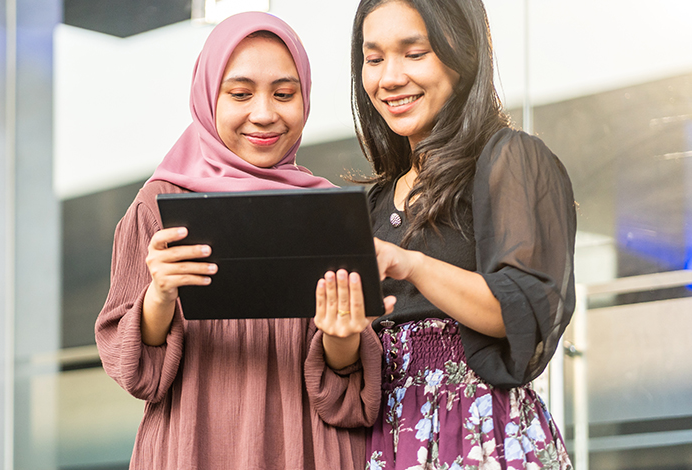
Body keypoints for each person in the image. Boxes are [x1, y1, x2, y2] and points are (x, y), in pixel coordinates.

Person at [95, 12, 385, 469]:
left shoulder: (328, 211)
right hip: (195, 445)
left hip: (306, 448)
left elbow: (348, 393)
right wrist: (160, 296)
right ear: (209, 96)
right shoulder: (161, 205)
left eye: (284, 94)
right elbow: (138, 374)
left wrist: (342, 338)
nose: (265, 113)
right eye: (240, 93)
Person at [343, 0, 577, 468]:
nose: (390, 78)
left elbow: (521, 310)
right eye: (374, 58)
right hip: (384, 441)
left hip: (479, 432)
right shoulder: (374, 201)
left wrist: (411, 264)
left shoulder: (510, 160)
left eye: (415, 53)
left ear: (462, 52)